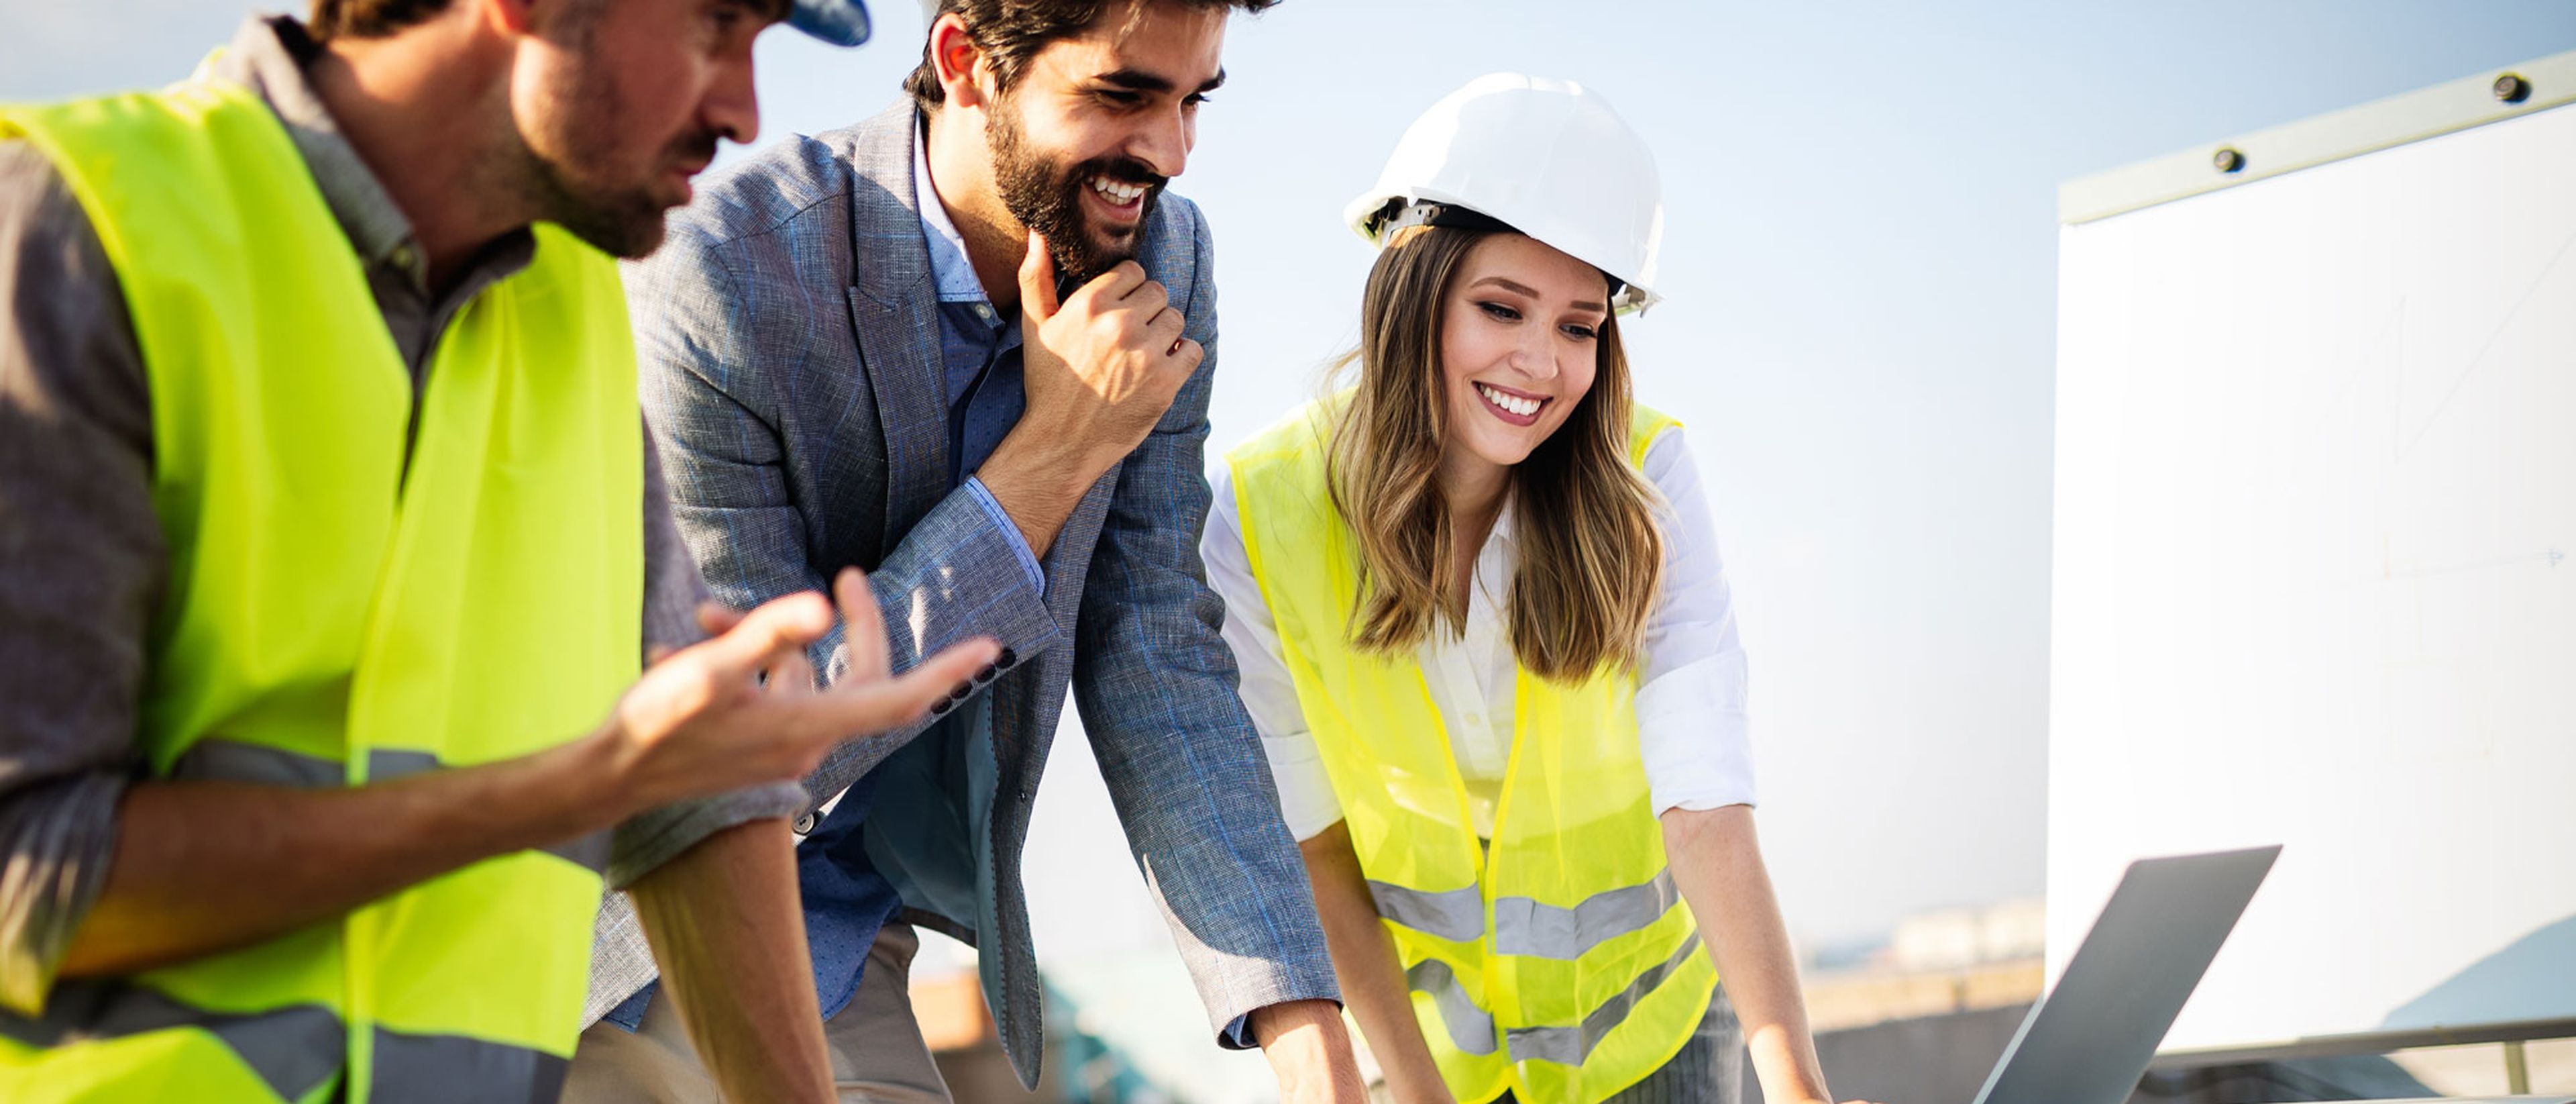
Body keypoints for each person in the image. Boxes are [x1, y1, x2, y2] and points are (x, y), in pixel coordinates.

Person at [0, 1, 1002, 1100]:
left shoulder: (567, 307)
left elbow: (688, 797)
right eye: (715, 25)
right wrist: (565, 789)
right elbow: (25, 876)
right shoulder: (74, 235)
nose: (743, 109)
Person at [571, 0, 1364, 1101]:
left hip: (842, 939)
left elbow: (1155, 650)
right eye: (1123, 96)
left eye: (1193, 101)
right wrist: (1045, 462)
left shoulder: (1164, 267)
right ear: (965, 63)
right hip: (628, 927)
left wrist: (1308, 1035)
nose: (1172, 153)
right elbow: (752, 738)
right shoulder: (723, 275)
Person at [1203, 74, 1872, 1104]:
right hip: (1430, 1046)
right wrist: (1415, 1093)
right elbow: (1317, 850)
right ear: (1410, 295)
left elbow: (1704, 800)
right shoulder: (1258, 519)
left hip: (1648, 1028)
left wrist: (1797, 1084)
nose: (1542, 363)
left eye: (1579, 324)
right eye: (1500, 307)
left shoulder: (1648, 480)